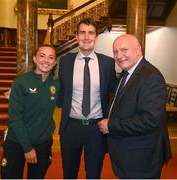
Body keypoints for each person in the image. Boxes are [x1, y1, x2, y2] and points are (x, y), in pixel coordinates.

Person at [98, 34, 172, 178]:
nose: (119, 56)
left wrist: (111, 125)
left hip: (141, 158)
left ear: (138, 50)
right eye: (115, 51)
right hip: (129, 153)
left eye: (124, 50)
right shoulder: (128, 73)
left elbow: (150, 120)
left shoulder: (150, 76)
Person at [58, 18, 116, 179]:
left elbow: (113, 94)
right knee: (69, 174)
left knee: (94, 174)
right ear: (76, 36)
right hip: (70, 127)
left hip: (96, 129)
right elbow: (60, 90)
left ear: (96, 37)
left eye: (90, 33)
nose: (86, 36)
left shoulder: (108, 63)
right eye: (82, 32)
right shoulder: (65, 61)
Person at [0, 44, 59, 179]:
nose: (46, 60)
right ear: (34, 58)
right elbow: (14, 118)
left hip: (42, 145)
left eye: (51, 57)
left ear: (55, 62)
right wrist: (27, 148)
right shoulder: (21, 83)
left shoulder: (56, 85)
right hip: (17, 143)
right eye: (42, 56)